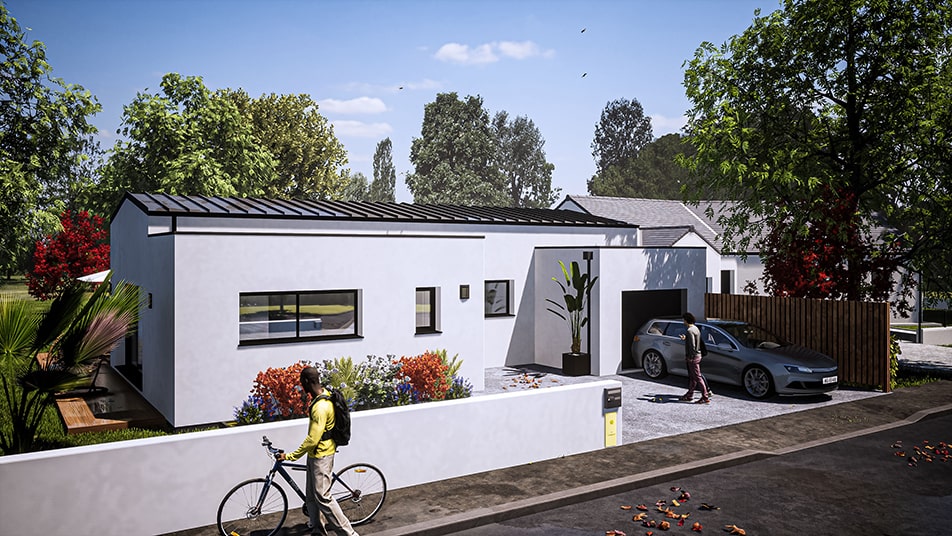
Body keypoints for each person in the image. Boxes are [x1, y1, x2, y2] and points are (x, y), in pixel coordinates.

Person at [277, 367, 358, 536]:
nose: (301, 387)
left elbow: (313, 439)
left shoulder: (320, 407)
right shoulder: (324, 395)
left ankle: (349, 534)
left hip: (322, 455)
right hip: (315, 454)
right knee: (312, 497)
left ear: (307, 382)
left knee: (323, 497)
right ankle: (317, 530)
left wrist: (290, 456)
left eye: (302, 383)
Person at [679, 312, 711, 404]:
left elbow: (692, 346)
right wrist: (686, 338)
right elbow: (695, 340)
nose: (683, 321)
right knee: (693, 377)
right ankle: (689, 394)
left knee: (697, 377)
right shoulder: (695, 328)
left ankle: (705, 397)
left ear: (686, 320)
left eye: (683, 320)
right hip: (698, 355)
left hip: (693, 356)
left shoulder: (689, 330)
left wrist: (690, 357)